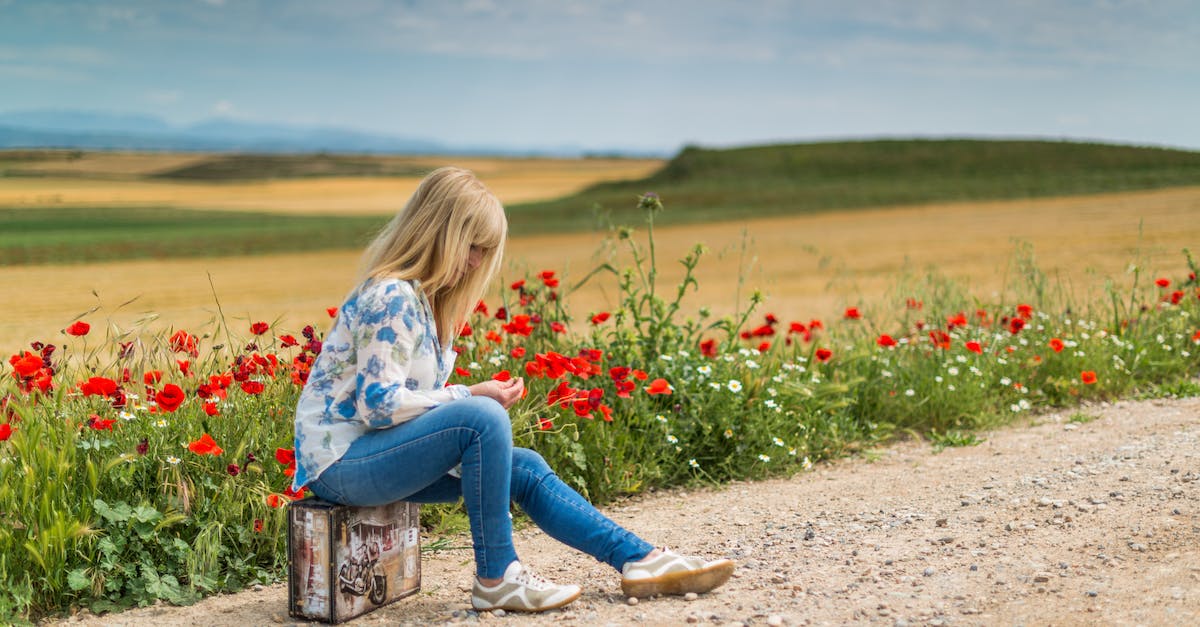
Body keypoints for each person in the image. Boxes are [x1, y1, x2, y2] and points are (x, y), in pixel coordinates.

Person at [290, 166, 734, 612]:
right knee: (482, 418)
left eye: (486, 250)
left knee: (522, 467)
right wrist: (469, 396)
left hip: (377, 456)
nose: (478, 261)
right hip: (342, 464)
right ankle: (497, 576)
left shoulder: (424, 304)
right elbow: (378, 406)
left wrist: (467, 402)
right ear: (439, 234)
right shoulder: (391, 296)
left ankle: (640, 559)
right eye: (473, 246)